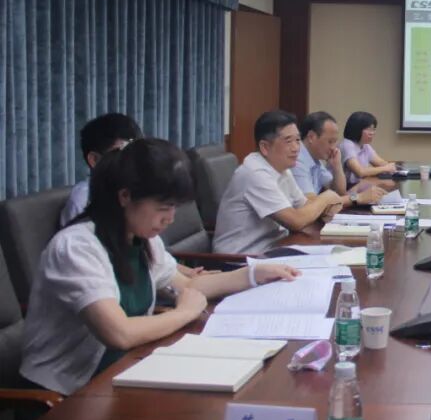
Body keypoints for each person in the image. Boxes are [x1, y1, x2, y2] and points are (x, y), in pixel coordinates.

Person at [19, 139, 299, 395]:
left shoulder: (141, 238)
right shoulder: (77, 247)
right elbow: (119, 333)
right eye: (163, 208)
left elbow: (188, 285)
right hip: (65, 395)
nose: (170, 219)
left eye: (175, 208)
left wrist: (253, 274)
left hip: (124, 371)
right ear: (125, 196)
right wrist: (184, 313)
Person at [213, 110, 343, 254]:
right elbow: (296, 221)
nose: (296, 148)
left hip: (275, 247)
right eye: (288, 141)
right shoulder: (255, 173)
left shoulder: (282, 168)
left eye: (297, 140)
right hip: (240, 259)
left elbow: (305, 206)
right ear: (265, 147)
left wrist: (326, 210)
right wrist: (326, 198)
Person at [60, 113, 143, 227]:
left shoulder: (142, 191)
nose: (133, 161)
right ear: (95, 160)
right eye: (123, 154)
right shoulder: (82, 200)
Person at [293, 111, 385, 206]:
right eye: (330, 141)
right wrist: (358, 198)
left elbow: (339, 193)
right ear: (311, 137)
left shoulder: (315, 159)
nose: (334, 148)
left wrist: (337, 166)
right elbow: (311, 204)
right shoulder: (297, 160)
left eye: (335, 142)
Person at [340, 111, 398, 185]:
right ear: (356, 129)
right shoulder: (347, 145)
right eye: (369, 129)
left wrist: (392, 167)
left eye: (373, 129)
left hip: (358, 185)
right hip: (345, 189)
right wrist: (386, 168)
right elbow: (360, 172)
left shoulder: (365, 146)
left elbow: (381, 163)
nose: (372, 133)